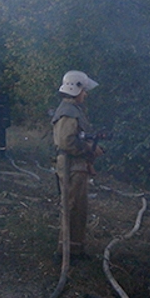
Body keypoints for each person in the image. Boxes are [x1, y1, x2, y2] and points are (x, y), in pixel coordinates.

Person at [52, 70, 103, 260]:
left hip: (75, 165)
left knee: (79, 208)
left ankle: (75, 250)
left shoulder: (72, 110)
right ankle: (64, 253)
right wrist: (88, 149)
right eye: (84, 90)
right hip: (71, 166)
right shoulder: (68, 112)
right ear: (76, 88)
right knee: (71, 207)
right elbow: (66, 142)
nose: (86, 94)